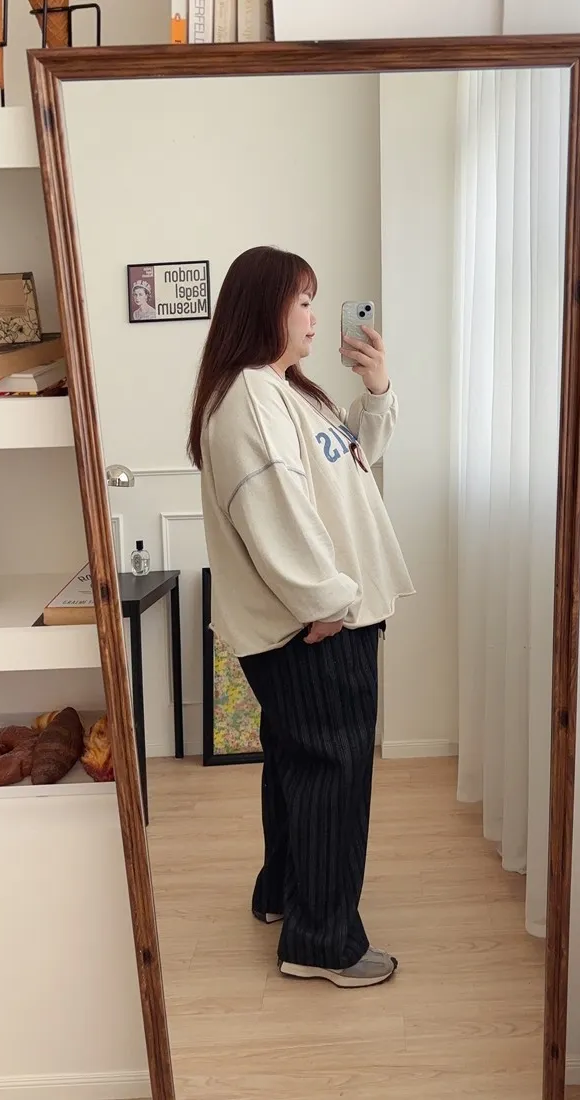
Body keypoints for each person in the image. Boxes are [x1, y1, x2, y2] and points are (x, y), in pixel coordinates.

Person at [188, 245, 414, 989]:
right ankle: (322, 944)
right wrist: (329, 603)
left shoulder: (285, 392)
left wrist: (375, 392)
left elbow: (349, 466)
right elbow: (274, 507)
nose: (315, 316)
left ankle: (285, 894)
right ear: (265, 307)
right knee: (333, 771)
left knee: (300, 761)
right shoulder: (252, 394)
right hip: (317, 627)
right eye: (304, 300)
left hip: (317, 618)